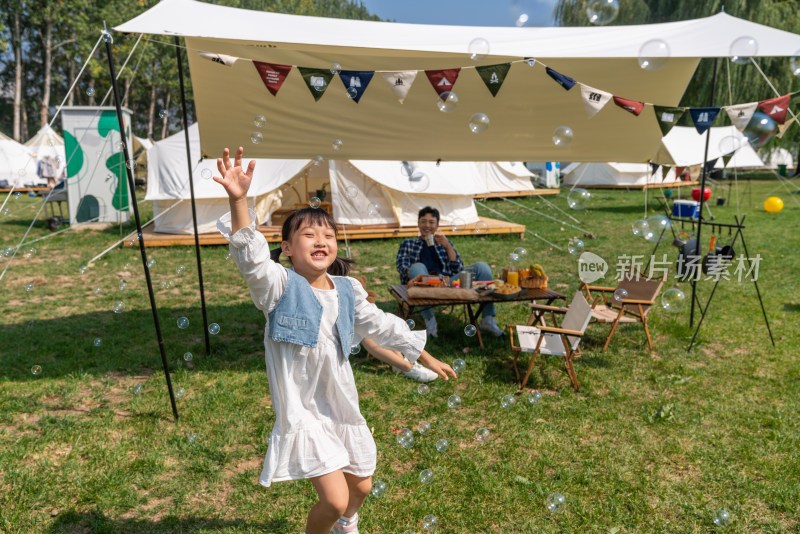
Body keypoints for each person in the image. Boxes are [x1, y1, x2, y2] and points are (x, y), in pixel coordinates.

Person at [214, 147, 455, 534]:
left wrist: (424, 355)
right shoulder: (278, 286)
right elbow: (252, 258)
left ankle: (348, 521)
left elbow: (382, 325)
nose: (320, 239)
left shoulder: (347, 290)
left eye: (327, 233)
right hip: (304, 409)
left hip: (340, 403)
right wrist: (239, 199)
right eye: (308, 234)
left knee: (361, 485)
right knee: (334, 497)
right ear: (288, 249)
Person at [396, 206, 504, 338]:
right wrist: (416, 274)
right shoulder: (408, 244)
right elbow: (401, 267)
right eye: (423, 221)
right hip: (422, 285)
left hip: (446, 284)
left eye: (431, 222)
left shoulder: (445, 243)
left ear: (437, 225)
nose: (427, 225)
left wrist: (447, 247)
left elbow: (459, 270)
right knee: (417, 266)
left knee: (482, 267)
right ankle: (430, 321)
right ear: (418, 224)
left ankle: (488, 320)